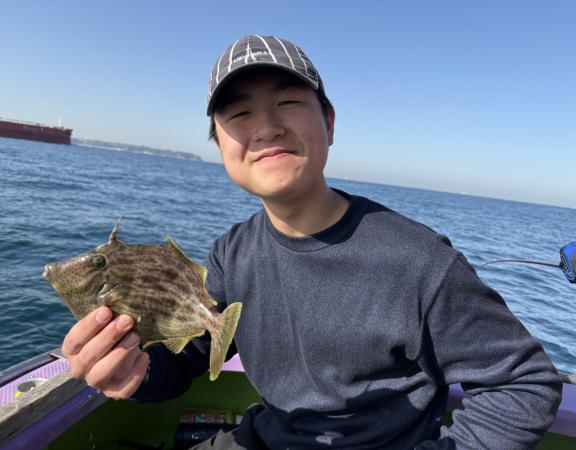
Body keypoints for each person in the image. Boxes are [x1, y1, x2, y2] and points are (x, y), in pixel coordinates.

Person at [62, 35, 562, 449]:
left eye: (287, 102)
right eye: (238, 114)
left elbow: (524, 381)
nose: (265, 128)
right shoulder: (231, 254)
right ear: (219, 143)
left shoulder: (419, 261)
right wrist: (134, 373)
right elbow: (188, 357)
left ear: (329, 122)